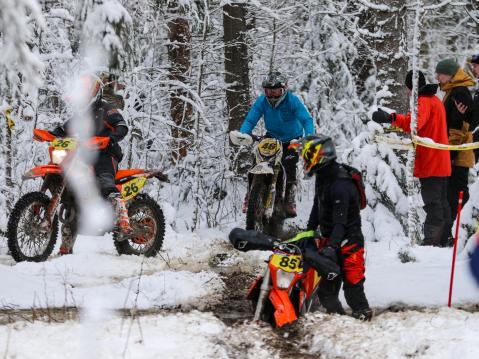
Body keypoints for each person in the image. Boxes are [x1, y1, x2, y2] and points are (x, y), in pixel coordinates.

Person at [51, 72, 130, 255]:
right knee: (72, 197)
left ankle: (123, 219)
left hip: (106, 154)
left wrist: (111, 138)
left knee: (104, 180)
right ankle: (65, 247)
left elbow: (122, 126)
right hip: (85, 157)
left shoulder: (106, 108)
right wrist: (52, 133)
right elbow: (64, 129)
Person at [372, 70, 452, 247]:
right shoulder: (435, 101)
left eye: (408, 88)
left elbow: (413, 123)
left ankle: (433, 241)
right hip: (441, 159)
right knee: (441, 200)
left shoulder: (423, 101)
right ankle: (446, 238)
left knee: (432, 201)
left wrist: (390, 118)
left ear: (412, 87)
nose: (408, 93)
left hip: (431, 160)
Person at [298, 134, 372, 321]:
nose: (304, 161)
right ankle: (339, 323)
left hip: (349, 241)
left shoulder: (341, 183)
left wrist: (333, 246)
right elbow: (318, 204)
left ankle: (364, 322)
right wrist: (309, 231)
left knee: (353, 289)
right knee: (327, 293)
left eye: (306, 157)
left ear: (317, 155)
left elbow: (341, 220)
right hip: (330, 239)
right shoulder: (323, 176)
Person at [230, 71, 314, 217]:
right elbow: (251, 119)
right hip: (272, 137)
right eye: (269, 91)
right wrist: (244, 133)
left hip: (292, 139)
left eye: (276, 91)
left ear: (284, 89)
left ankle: (289, 199)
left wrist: (309, 138)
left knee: (289, 167)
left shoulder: (292, 101)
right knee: (257, 160)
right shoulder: (262, 101)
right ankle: (250, 196)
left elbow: (307, 119)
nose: (272, 96)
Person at [435, 58, 475, 244]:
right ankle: (450, 234)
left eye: (440, 73)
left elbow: (459, 126)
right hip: (454, 150)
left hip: (458, 153)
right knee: (451, 193)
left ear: (451, 75)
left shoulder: (459, 92)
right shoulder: (453, 90)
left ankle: (456, 233)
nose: (437, 77)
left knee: (456, 193)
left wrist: (450, 154)